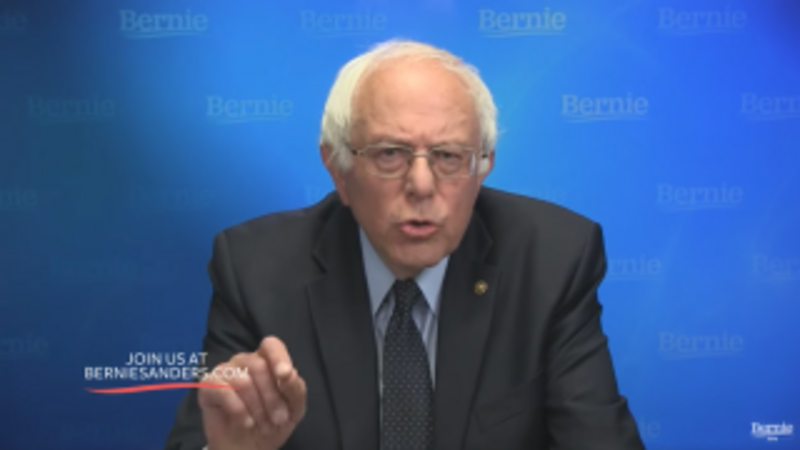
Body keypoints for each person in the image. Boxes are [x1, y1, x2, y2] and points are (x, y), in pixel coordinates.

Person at [164, 39, 645, 450]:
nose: (421, 185)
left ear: (483, 167)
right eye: (389, 154)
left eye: (449, 156)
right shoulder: (254, 270)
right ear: (338, 169)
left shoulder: (553, 261)